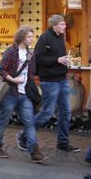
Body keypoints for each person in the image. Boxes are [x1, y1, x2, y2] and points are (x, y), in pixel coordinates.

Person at [16, 14, 80, 152]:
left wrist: (65, 60)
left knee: (66, 112)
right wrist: (57, 60)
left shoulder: (61, 38)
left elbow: (57, 57)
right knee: (47, 113)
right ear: (54, 25)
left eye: (64, 24)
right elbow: (38, 59)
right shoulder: (45, 38)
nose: (65, 26)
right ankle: (23, 135)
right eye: (62, 24)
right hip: (49, 82)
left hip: (62, 80)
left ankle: (62, 142)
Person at [0, 26, 48, 163]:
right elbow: (1, 70)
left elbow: (31, 73)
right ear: (21, 38)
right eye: (29, 37)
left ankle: (34, 151)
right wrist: (13, 79)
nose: (32, 39)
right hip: (10, 92)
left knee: (29, 122)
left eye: (32, 37)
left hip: (24, 94)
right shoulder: (11, 52)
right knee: (3, 120)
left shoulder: (30, 54)